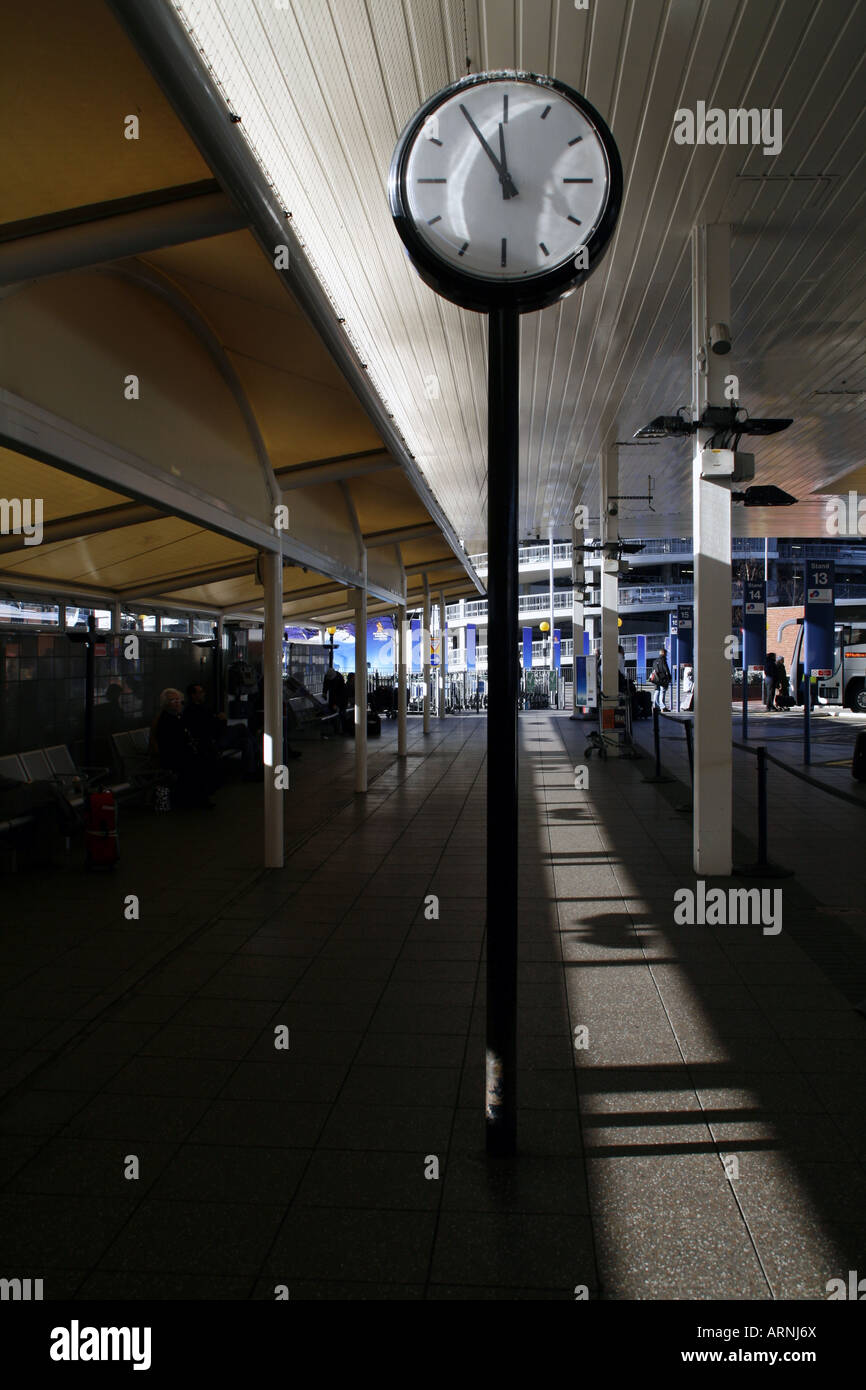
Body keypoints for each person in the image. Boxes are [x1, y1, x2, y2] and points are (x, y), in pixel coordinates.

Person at [152, 688, 219, 808]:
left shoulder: (177, 716)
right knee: (199, 762)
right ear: (166, 703)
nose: (177, 703)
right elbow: (170, 743)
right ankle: (198, 799)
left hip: (180, 753)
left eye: (178, 700)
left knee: (206, 756)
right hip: (171, 756)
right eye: (173, 700)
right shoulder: (165, 719)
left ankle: (199, 797)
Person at [184, 682, 261, 781]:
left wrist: (219, 719)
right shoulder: (192, 711)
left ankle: (250, 772)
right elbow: (206, 726)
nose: (204, 694)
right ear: (193, 695)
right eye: (201, 692)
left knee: (247, 742)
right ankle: (258, 752)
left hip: (220, 735)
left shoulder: (204, 708)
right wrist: (218, 719)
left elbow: (216, 722)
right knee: (241, 727)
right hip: (213, 739)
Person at [649, 646, 671, 712]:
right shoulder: (663, 660)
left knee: (657, 691)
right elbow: (666, 669)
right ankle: (663, 707)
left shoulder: (655, 661)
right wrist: (669, 677)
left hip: (656, 679)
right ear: (664, 653)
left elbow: (653, 670)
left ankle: (655, 706)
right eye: (666, 653)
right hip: (662, 679)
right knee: (662, 692)